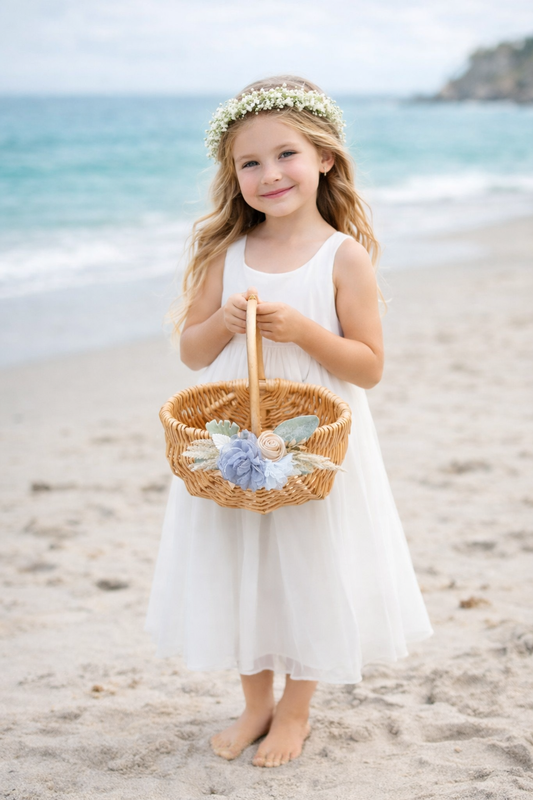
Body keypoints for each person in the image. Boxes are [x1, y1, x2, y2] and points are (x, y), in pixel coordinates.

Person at [144, 75, 433, 768]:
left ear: (324, 159)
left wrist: (303, 331)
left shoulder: (344, 257)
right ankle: (254, 703)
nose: (269, 174)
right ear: (231, 174)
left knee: (309, 566)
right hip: (233, 438)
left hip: (314, 440)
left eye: (286, 155)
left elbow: (367, 366)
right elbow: (190, 354)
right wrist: (218, 320)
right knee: (243, 563)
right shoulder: (227, 253)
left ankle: (295, 710)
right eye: (250, 162)